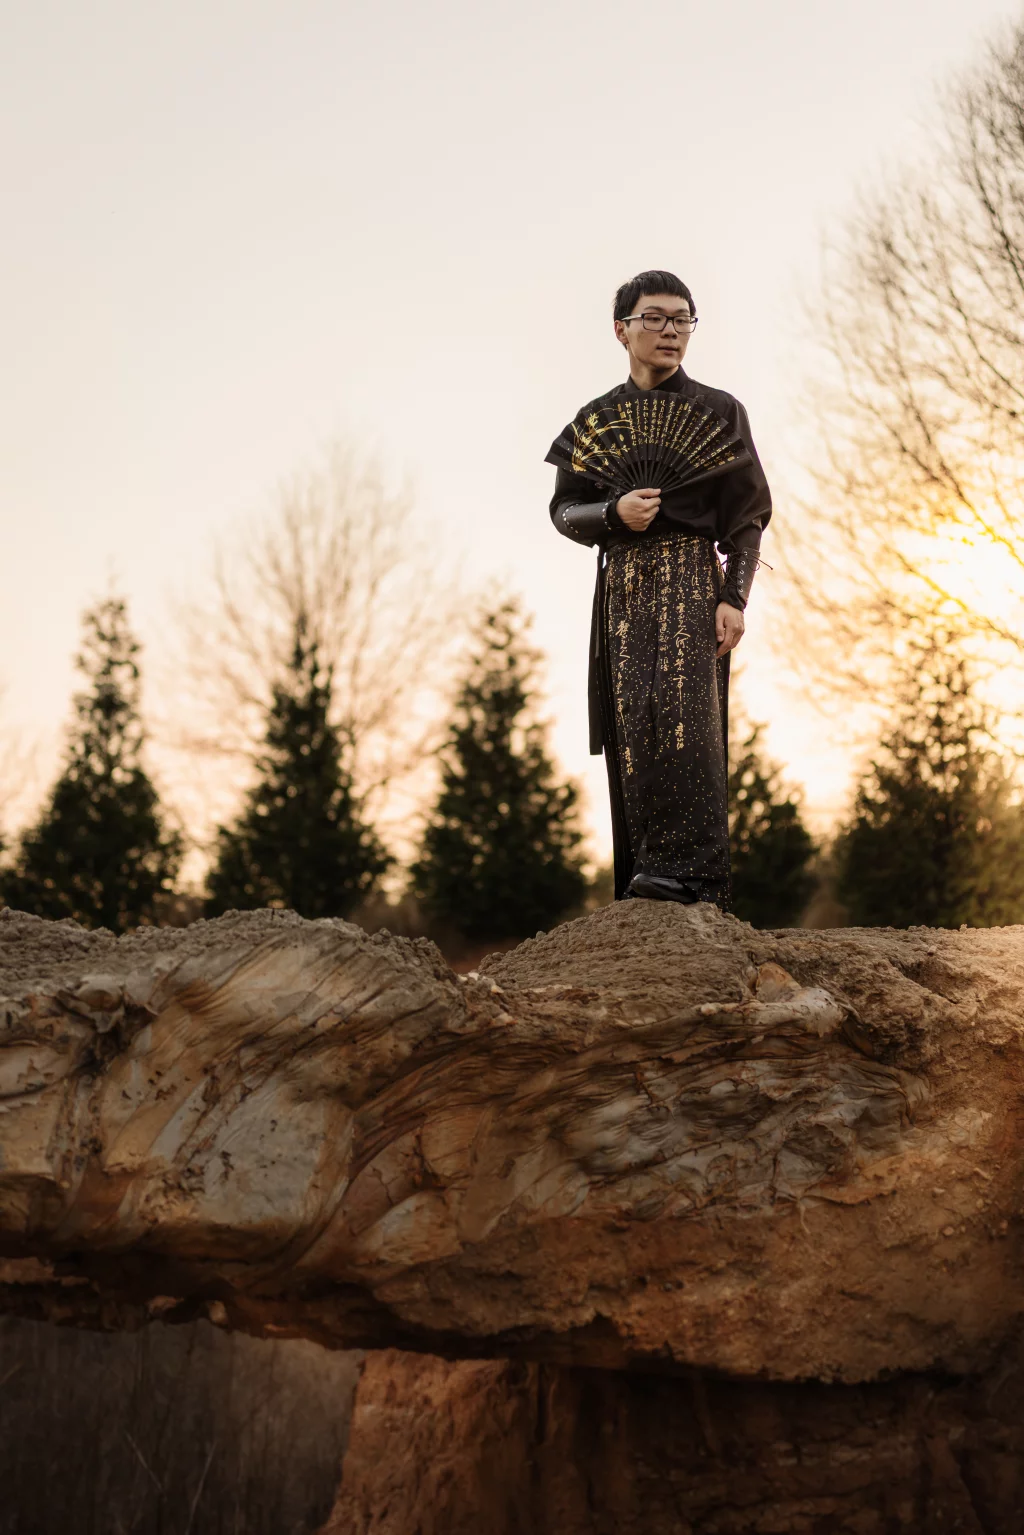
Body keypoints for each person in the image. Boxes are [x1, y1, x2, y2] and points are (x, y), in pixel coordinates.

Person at [547, 269, 772, 907]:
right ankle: (644, 875)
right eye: (655, 317)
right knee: (631, 722)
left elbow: (749, 517)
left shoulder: (720, 411)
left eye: (682, 319)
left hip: (689, 581)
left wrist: (735, 596)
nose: (670, 330)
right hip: (620, 587)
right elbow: (564, 513)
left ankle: (695, 878)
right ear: (622, 330)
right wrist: (611, 515)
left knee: (686, 721)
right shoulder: (597, 419)